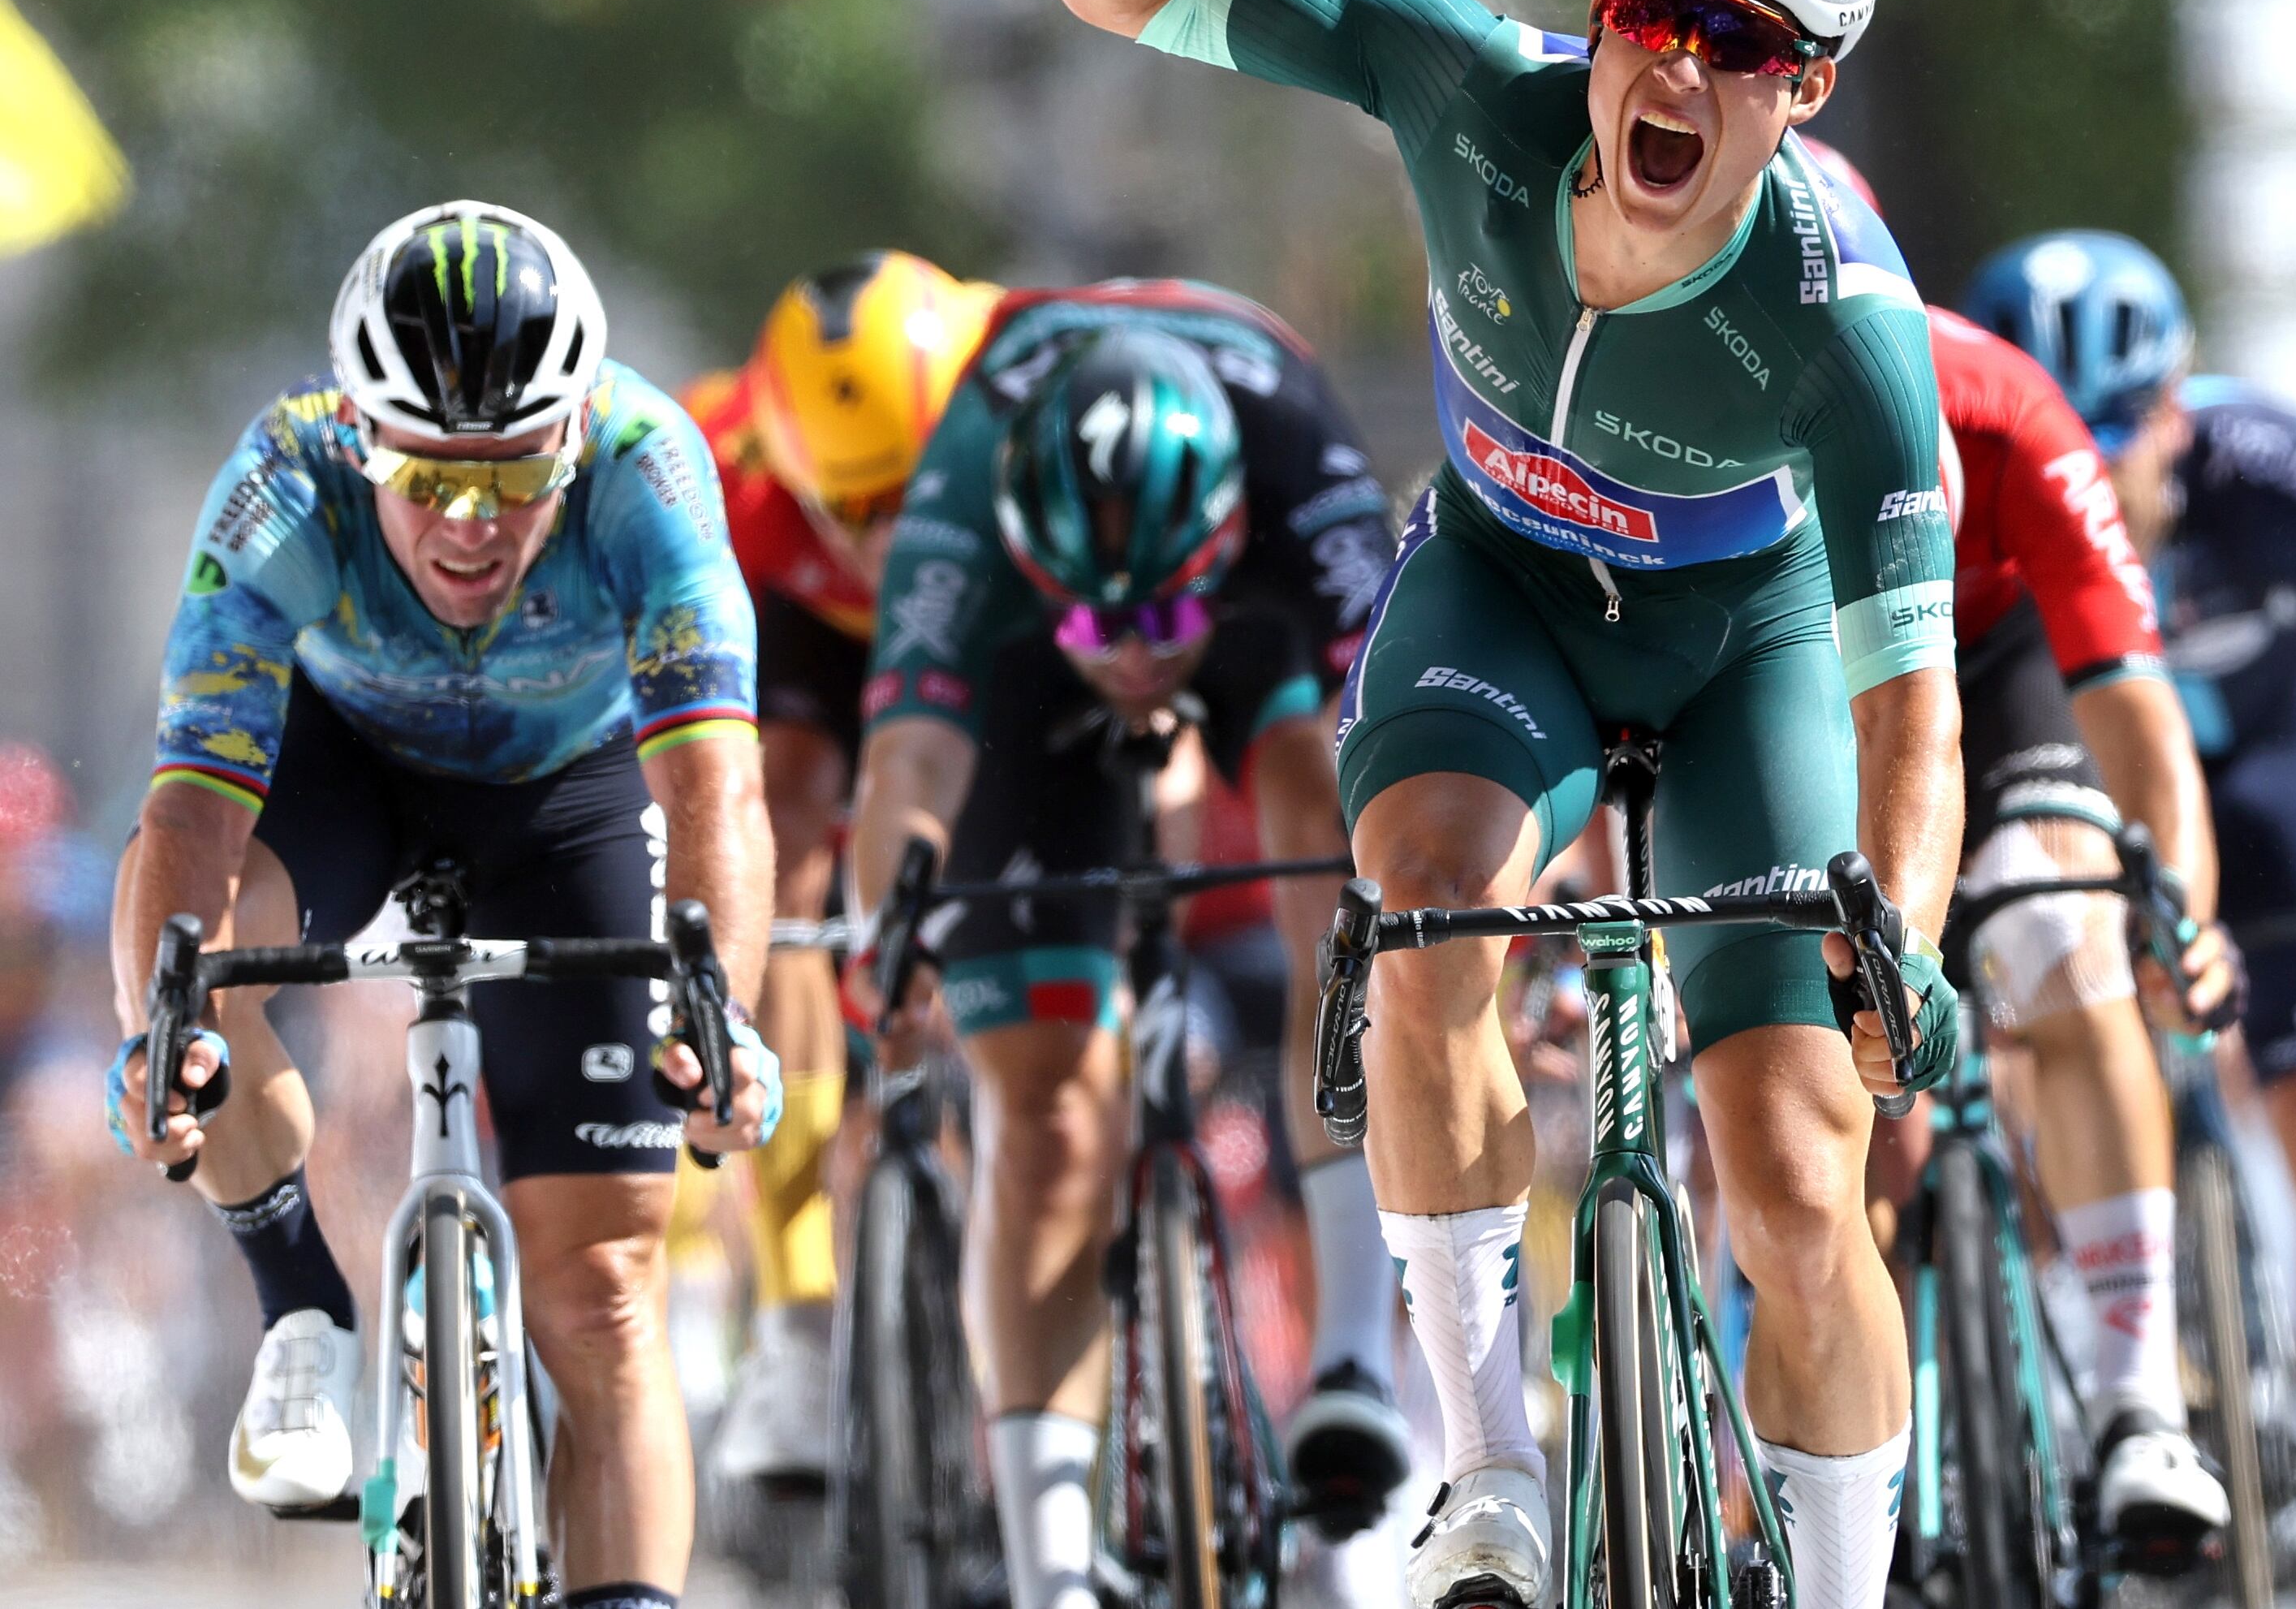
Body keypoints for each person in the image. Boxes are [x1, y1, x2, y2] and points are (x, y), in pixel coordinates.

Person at [1049, 0, 1963, 1609]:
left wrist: (1901, 939)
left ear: (1811, 87)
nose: (1680, 63)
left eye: (1745, 41)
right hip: (1503, 584)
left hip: (1742, 655)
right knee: (1423, 909)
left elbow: (1910, 710)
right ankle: (1487, 1466)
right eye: (1653, 10)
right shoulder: (1471, 84)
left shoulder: (1844, 319)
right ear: (1603, 12)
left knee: (1793, 1175)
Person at [110, 201, 781, 1609]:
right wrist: (162, 1032)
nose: (471, 525)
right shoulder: (284, 476)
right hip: (346, 768)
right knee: (201, 977)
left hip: (574, 788)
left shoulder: (651, 469)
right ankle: (302, 1301)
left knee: (601, 1288)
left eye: (517, 471)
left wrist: (716, 1013)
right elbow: (188, 815)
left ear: (577, 434)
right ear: (361, 437)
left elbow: (718, 790)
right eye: (428, 474)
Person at [843, 284, 1402, 1609]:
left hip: (1257, 617)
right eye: (1106, 626)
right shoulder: (965, 501)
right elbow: (909, 764)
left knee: (1331, 834)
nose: (1139, 659)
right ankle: (1048, 1572)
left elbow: (1400, 719)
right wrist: (893, 936)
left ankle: (1352, 1366)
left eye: (1155, 625)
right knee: (1043, 1117)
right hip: (1024, 678)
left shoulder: (1293, 458)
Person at [1969, 232, 2296, 1609]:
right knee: (2016, 1064)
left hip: (2273, 791)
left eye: (2115, 432)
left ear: (2177, 411)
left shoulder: (2290, 474)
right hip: (2086, 782)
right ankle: (2082, 1395)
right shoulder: (1988, 484)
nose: (2092, 469)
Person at [1838, 138, 2235, 1558]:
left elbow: (2135, 710)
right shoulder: (1683, 392)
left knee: (2064, 932)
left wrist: (2173, 906)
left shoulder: (2006, 409)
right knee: (1821, 1064)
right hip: (1800, 678)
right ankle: (1832, 1441)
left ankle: (2137, 1406)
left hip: (1987, 657)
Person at [686, 249, 1000, 1482]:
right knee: (782, 823)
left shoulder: (1002, 397)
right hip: (804, 647)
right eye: (849, 507)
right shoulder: (724, 456)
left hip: (983, 612)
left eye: (902, 495)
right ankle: (800, 1303)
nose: (879, 536)